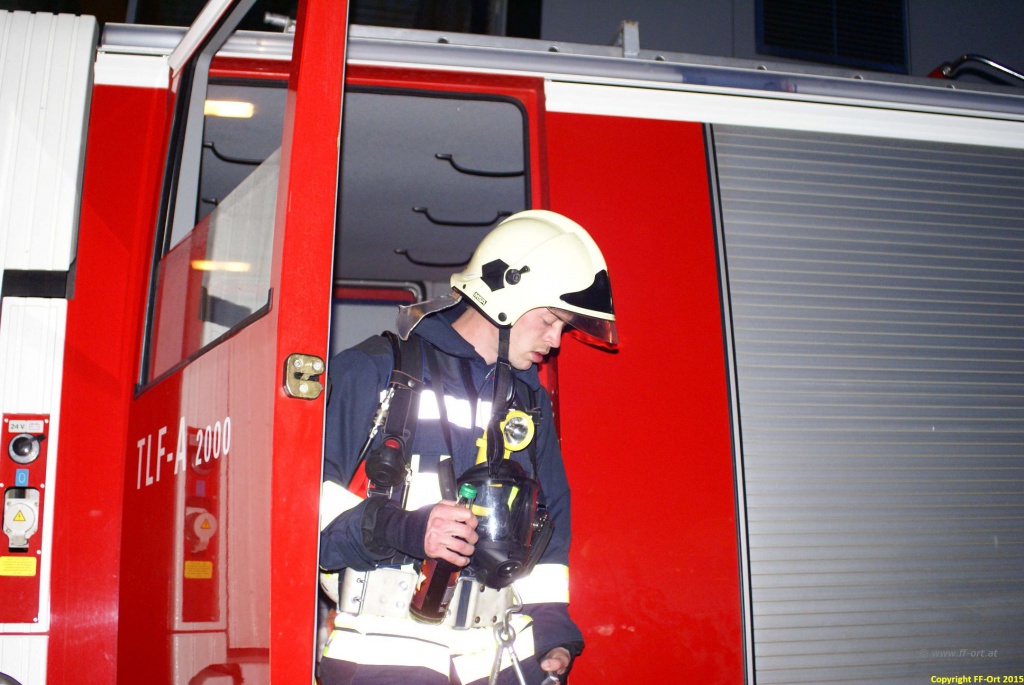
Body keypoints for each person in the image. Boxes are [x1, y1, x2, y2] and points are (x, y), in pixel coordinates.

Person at [318, 209, 617, 685]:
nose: (556, 340)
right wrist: (404, 528)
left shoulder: (529, 401)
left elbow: (549, 523)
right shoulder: (375, 370)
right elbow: (303, 514)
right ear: (503, 297)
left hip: (498, 660)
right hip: (385, 656)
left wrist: (551, 631)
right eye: (548, 320)